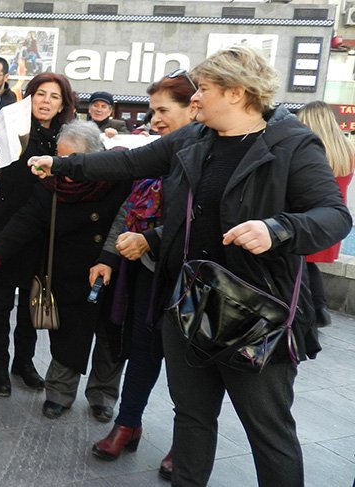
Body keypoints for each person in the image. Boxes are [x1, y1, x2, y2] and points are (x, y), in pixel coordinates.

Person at [29, 45, 351, 486]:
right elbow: (129, 161)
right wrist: (63, 164)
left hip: (258, 318)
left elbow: (333, 216)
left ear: (237, 93)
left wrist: (278, 229)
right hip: (187, 306)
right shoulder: (195, 139)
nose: (194, 98)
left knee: (268, 433)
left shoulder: (292, 144)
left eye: (203, 88)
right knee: (192, 418)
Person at [0, 120, 131, 419]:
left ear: (94, 158)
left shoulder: (118, 177)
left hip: (114, 266)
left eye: (70, 161)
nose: (60, 165)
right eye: (58, 156)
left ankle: (103, 395)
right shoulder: (51, 185)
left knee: (112, 335)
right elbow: (25, 221)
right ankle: (59, 392)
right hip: (71, 270)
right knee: (68, 332)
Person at [88, 71, 197, 480]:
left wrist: (151, 239)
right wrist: (108, 256)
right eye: (152, 111)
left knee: (187, 369)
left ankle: (186, 444)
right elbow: (127, 209)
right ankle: (127, 423)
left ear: (195, 108)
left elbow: (201, 223)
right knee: (142, 351)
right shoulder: (154, 153)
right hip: (148, 277)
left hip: (193, 283)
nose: (154, 120)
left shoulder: (209, 158)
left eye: (163, 111)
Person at [0, 72, 77, 396]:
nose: (46, 101)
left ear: (63, 104)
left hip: (44, 235)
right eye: (41, 94)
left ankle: (25, 362)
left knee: (34, 304)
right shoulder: (13, 128)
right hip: (4, 228)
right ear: (30, 97)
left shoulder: (66, 139)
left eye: (54, 96)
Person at [297, 101, 355, 328]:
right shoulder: (346, 150)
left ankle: (316, 309)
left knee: (301, 263)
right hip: (334, 220)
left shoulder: (311, 151)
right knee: (309, 265)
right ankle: (318, 309)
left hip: (311, 216)